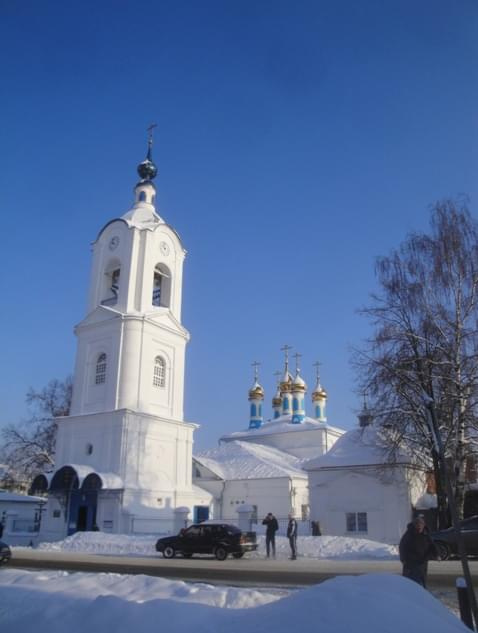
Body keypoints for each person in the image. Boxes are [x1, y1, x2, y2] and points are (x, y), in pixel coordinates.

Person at [399, 515, 437, 588]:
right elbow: (402, 547)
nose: (419, 528)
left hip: (422, 562)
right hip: (410, 562)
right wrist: (403, 559)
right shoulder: (409, 534)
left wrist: (436, 554)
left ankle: (421, 594)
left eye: (420, 526)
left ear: (423, 526)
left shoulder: (426, 534)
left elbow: (432, 545)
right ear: (414, 525)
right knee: (409, 582)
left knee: (421, 581)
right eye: (417, 525)